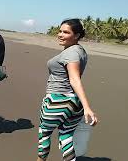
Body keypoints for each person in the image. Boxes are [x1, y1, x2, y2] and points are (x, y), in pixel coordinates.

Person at [37, 19, 98, 161]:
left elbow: (75, 79)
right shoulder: (79, 50)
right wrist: (83, 106)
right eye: (60, 31)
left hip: (59, 100)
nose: (60, 34)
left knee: (44, 133)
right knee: (66, 136)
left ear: (76, 35)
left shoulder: (72, 53)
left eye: (66, 32)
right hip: (74, 103)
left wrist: (88, 107)